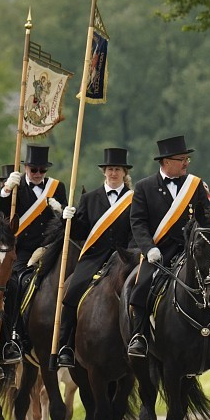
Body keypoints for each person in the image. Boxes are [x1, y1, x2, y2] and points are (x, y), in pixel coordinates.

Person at [126, 135, 210, 358]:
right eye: (182, 159)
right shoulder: (144, 187)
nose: (186, 163)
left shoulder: (195, 184)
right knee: (141, 285)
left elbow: (208, 215)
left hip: (196, 249)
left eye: (187, 159)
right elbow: (138, 222)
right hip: (160, 250)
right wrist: (148, 247)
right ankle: (140, 336)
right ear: (166, 162)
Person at [55, 147, 135, 368]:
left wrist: (131, 253)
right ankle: (65, 346)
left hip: (124, 258)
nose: (113, 173)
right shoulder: (90, 198)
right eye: (110, 169)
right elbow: (80, 233)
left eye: (117, 169)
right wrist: (67, 220)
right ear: (104, 172)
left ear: (124, 173)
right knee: (71, 294)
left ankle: (140, 341)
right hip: (94, 257)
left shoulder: (134, 200)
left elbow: (136, 230)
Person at [0, 144, 67, 364]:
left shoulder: (57, 187)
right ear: (26, 168)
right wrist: (6, 191)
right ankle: (14, 336)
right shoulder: (16, 188)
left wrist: (63, 212)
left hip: (50, 247)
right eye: (33, 169)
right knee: (16, 284)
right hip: (22, 250)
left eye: (42, 170)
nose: (37, 174)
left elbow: (65, 222)